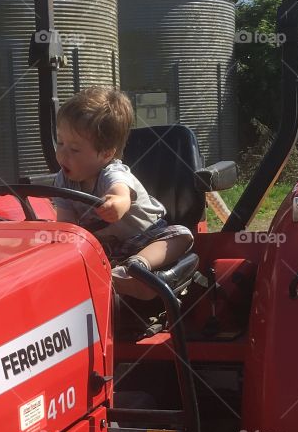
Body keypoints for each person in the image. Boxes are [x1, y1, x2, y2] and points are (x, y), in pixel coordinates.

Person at [51, 87, 194, 300]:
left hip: (147, 237)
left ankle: (138, 267)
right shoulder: (62, 180)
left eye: (74, 149)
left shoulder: (112, 171)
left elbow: (121, 192)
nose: (62, 153)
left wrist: (117, 203)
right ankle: (116, 277)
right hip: (112, 248)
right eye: (60, 143)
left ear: (106, 153)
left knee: (182, 235)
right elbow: (66, 227)